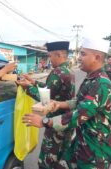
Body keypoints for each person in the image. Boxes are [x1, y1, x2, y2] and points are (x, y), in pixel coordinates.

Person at [22, 38, 111, 169]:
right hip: (81, 142)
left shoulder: (102, 84)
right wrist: (59, 103)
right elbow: (78, 102)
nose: (78, 58)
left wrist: (44, 122)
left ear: (97, 57)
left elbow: (80, 115)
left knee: (48, 163)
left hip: (95, 150)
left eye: (83, 54)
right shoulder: (91, 79)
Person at [17, 41, 75, 169]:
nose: (49, 59)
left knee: (47, 162)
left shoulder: (58, 72)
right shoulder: (68, 71)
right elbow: (50, 89)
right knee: (61, 159)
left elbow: (45, 99)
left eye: (50, 56)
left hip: (55, 122)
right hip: (65, 121)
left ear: (58, 54)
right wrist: (34, 82)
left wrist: (27, 88)